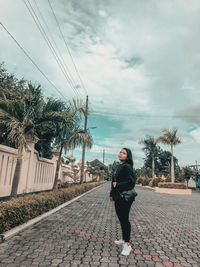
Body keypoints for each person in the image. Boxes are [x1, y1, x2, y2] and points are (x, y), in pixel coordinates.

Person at [110, 148, 136, 256]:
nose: (121, 154)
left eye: (124, 153)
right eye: (120, 152)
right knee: (121, 219)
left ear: (127, 156)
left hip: (125, 198)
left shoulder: (127, 167)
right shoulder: (117, 166)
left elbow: (131, 182)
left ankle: (127, 244)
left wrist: (118, 185)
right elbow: (113, 181)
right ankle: (124, 238)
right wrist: (111, 194)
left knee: (125, 220)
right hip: (118, 197)